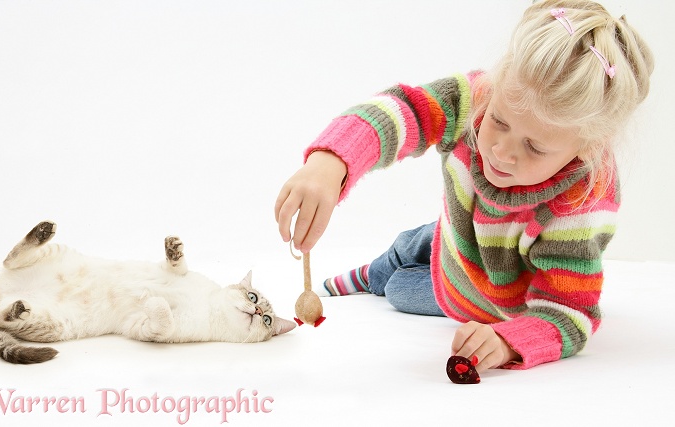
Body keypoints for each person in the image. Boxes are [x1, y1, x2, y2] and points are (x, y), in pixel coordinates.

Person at [274, 0, 653, 371]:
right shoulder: (478, 97)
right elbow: (405, 110)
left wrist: (507, 342)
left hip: (487, 302)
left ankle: (375, 278)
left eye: (534, 147)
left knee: (397, 289)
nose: (501, 152)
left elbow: (569, 314)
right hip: (457, 233)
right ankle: (361, 273)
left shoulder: (580, 204)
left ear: (584, 150)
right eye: (499, 122)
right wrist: (332, 160)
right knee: (409, 243)